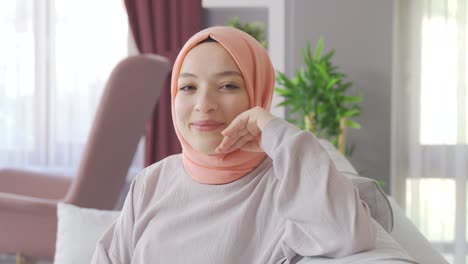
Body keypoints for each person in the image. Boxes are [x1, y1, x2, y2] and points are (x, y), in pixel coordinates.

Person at [91, 26, 376, 264]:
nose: (204, 105)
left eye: (228, 86)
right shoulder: (150, 183)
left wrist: (277, 133)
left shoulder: (285, 186)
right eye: (188, 87)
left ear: (257, 93)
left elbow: (345, 235)